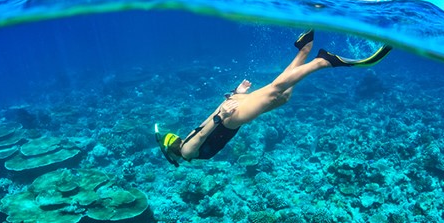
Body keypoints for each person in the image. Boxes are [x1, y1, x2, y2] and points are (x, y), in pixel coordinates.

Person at [155, 30, 392, 166]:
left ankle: (324, 61)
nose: (173, 135)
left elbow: (207, 129)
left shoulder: (186, 151)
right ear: (170, 145)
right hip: (229, 114)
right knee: (282, 97)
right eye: (169, 137)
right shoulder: (185, 145)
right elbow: (205, 124)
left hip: (231, 119)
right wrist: (234, 97)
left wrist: (224, 113)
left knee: (275, 89)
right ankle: (304, 50)